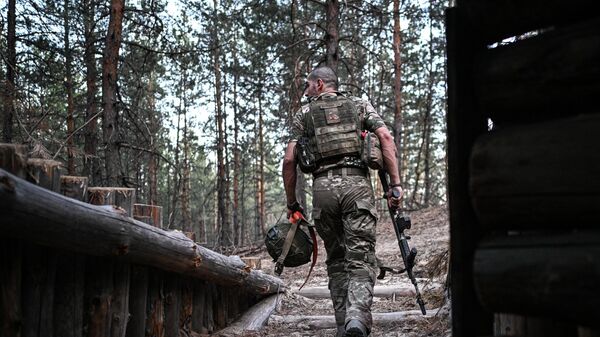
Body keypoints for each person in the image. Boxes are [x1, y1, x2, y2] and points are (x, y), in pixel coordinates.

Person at [282, 66, 402, 337]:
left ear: (320, 84)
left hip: (323, 192)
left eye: (309, 85)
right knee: (360, 259)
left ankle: (341, 325)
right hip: (357, 188)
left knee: (337, 260)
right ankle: (356, 319)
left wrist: (292, 203)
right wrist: (395, 185)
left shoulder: (303, 114)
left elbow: (290, 160)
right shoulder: (360, 105)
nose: (306, 90)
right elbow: (385, 137)